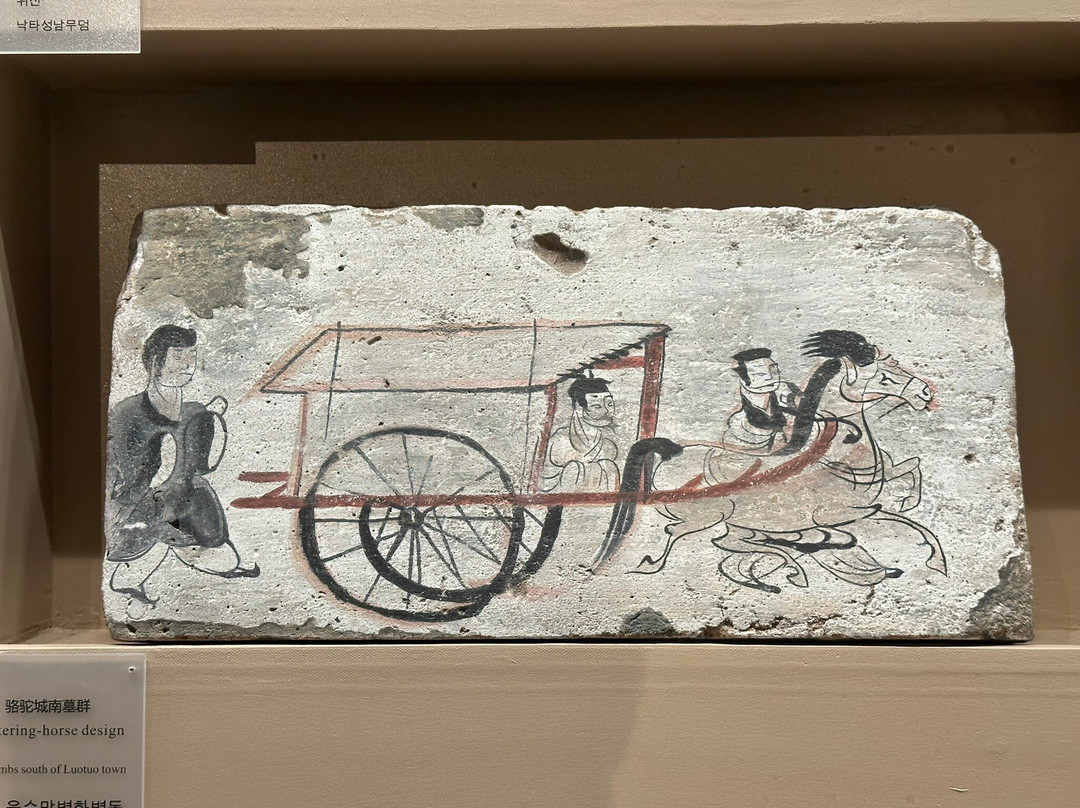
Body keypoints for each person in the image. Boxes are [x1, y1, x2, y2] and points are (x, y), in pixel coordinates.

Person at [106, 325, 258, 616]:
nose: (188, 365)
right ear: (156, 362)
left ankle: (175, 551)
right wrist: (164, 462)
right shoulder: (128, 413)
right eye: (178, 357)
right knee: (150, 538)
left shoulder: (194, 410)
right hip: (143, 505)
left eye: (192, 356)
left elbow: (201, 467)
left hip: (185, 497)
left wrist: (205, 422)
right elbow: (125, 482)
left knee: (225, 557)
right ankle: (136, 577)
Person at [541, 376, 621, 492]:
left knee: (609, 466)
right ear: (578, 407)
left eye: (609, 404)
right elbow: (547, 481)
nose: (606, 411)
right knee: (575, 468)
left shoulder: (607, 445)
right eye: (597, 406)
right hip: (561, 498)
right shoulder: (562, 439)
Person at [723, 347, 801, 454]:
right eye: (760, 374)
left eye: (774, 370)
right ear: (743, 379)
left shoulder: (788, 407)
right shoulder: (738, 424)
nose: (770, 377)